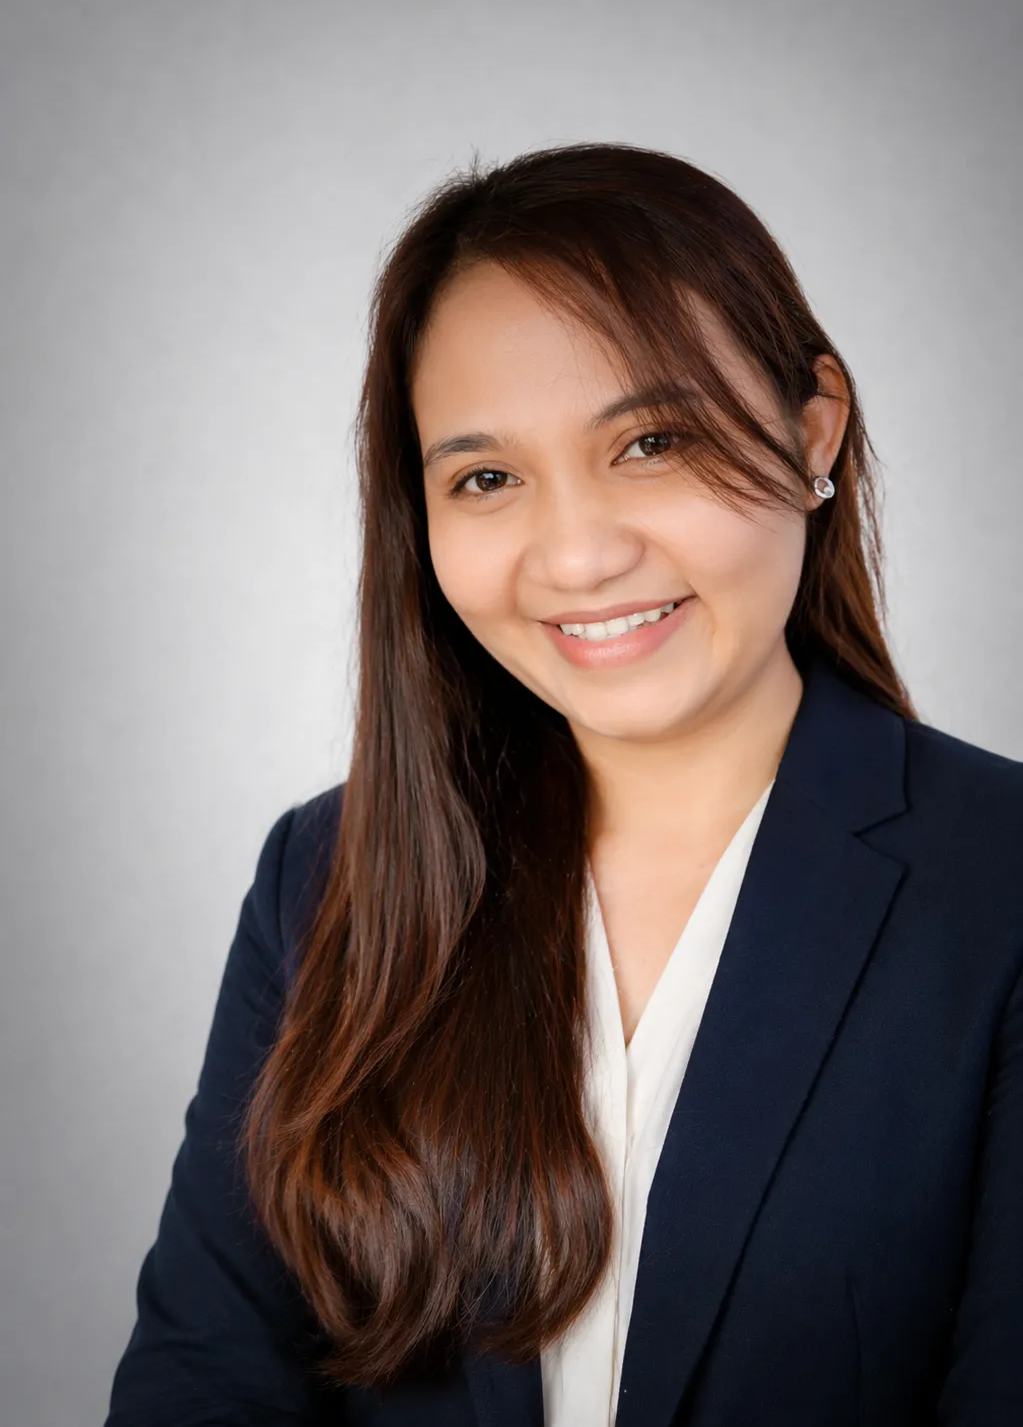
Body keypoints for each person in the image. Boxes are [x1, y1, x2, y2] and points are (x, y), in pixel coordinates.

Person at [104, 143, 1023, 1427]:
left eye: (651, 441)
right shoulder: (326, 880)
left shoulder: (997, 886)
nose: (579, 555)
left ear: (814, 424)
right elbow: (204, 1383)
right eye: (486, 478)